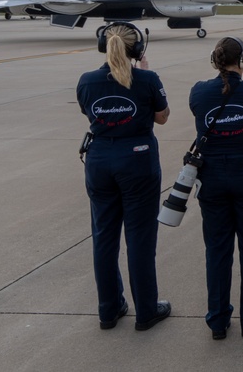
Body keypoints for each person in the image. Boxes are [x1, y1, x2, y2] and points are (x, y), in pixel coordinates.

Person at [76, 22, 171, 331]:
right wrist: (145, 73)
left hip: (100, 160)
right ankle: (146, 311)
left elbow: (89, 113)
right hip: (138, 161)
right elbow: (162, 117)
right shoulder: (146, 79)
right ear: (138, 49)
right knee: (140, 239)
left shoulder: (87, 81)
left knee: (104, 237)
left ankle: (109, 309)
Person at [189, 37, 243, 339]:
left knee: (217, 249)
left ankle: (218, 321)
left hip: (213, 178)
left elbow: (204, 113)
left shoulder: (199, 91)